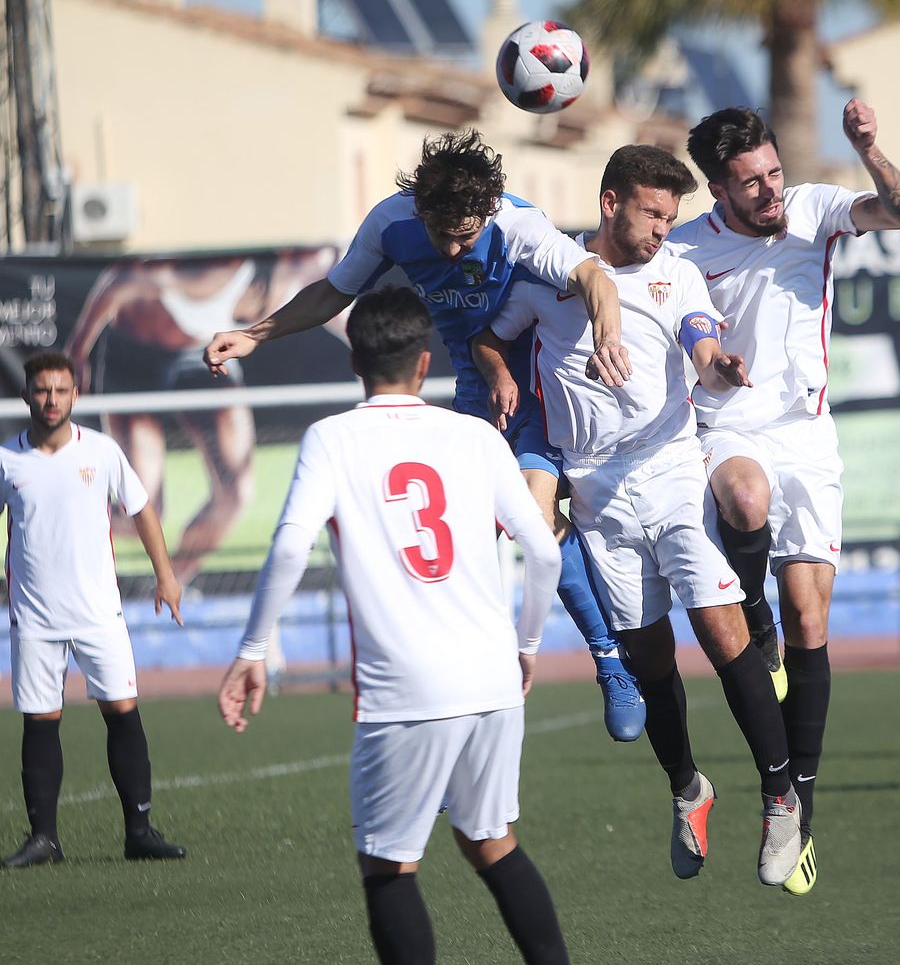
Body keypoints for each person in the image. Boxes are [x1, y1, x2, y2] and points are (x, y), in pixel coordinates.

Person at [217, 287, 601, 965]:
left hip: (405, 691)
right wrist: (527, 644)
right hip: (492, 677)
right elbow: (547, 550)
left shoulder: (332, 439)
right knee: (494, 843)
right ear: (425, 363)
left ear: (356, 360)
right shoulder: (475, 438)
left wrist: (252, 651)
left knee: (388, 866)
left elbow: (291, 545)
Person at [203, 130, 646, 743]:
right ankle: (453, 695)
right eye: (444, 234)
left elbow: (594, 277)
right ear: (421, 210)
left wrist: (608, 334)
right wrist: (254, 334)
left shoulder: (518, 224)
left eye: (466, 235)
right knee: (461, 538)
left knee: (535, 522)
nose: (454, 246)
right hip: (473, 388)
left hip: (540, 384)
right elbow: (335, 291)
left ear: (489, 211)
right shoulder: (391, 223)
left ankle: (609, 661)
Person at [473, 144, 804, 892]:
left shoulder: (675, 271)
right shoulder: (551, 279)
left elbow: (700, 337)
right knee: (652, 662)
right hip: (596, 491)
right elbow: (490, 336)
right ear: (610, 201)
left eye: (672, 216)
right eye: (653, 213)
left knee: (723, 635)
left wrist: (718, 365)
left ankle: (782, 797)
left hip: (672, 472)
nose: (663, 228)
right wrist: (498, 373)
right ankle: (689, 788)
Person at [662, 100, 900, 893]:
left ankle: (796, 807)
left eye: (774, 173)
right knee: (744, 500)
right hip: (726, 428)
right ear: (718, 189)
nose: (770, 191)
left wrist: (870, 149)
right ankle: (755, 612)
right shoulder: (686, 250)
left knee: (815, 617)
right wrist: (712, 365)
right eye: (750, 183)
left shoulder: (815, 209)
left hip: (808, 436)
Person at [1, 351, 187, 867]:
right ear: (27, 396)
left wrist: (166, 576)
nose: (52, 399)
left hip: (99, 614)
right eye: (42, 390)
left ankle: (140, 831)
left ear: (75, 396)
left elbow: (141, 509)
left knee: (123, 714)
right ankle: (44, 840)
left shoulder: (101, 452)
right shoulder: (7, 459)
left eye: (61, 390)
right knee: (40, 723)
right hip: (34, 618)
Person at [63, 247, 335, 585]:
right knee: (143, 512)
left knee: (236, 493)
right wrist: (78, 348)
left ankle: (170, 587)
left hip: (207, 358)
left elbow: (344, 317)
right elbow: (126, 277)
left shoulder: (312, 274)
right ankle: (62, 516)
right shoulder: (222, 267)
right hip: (138, 356)